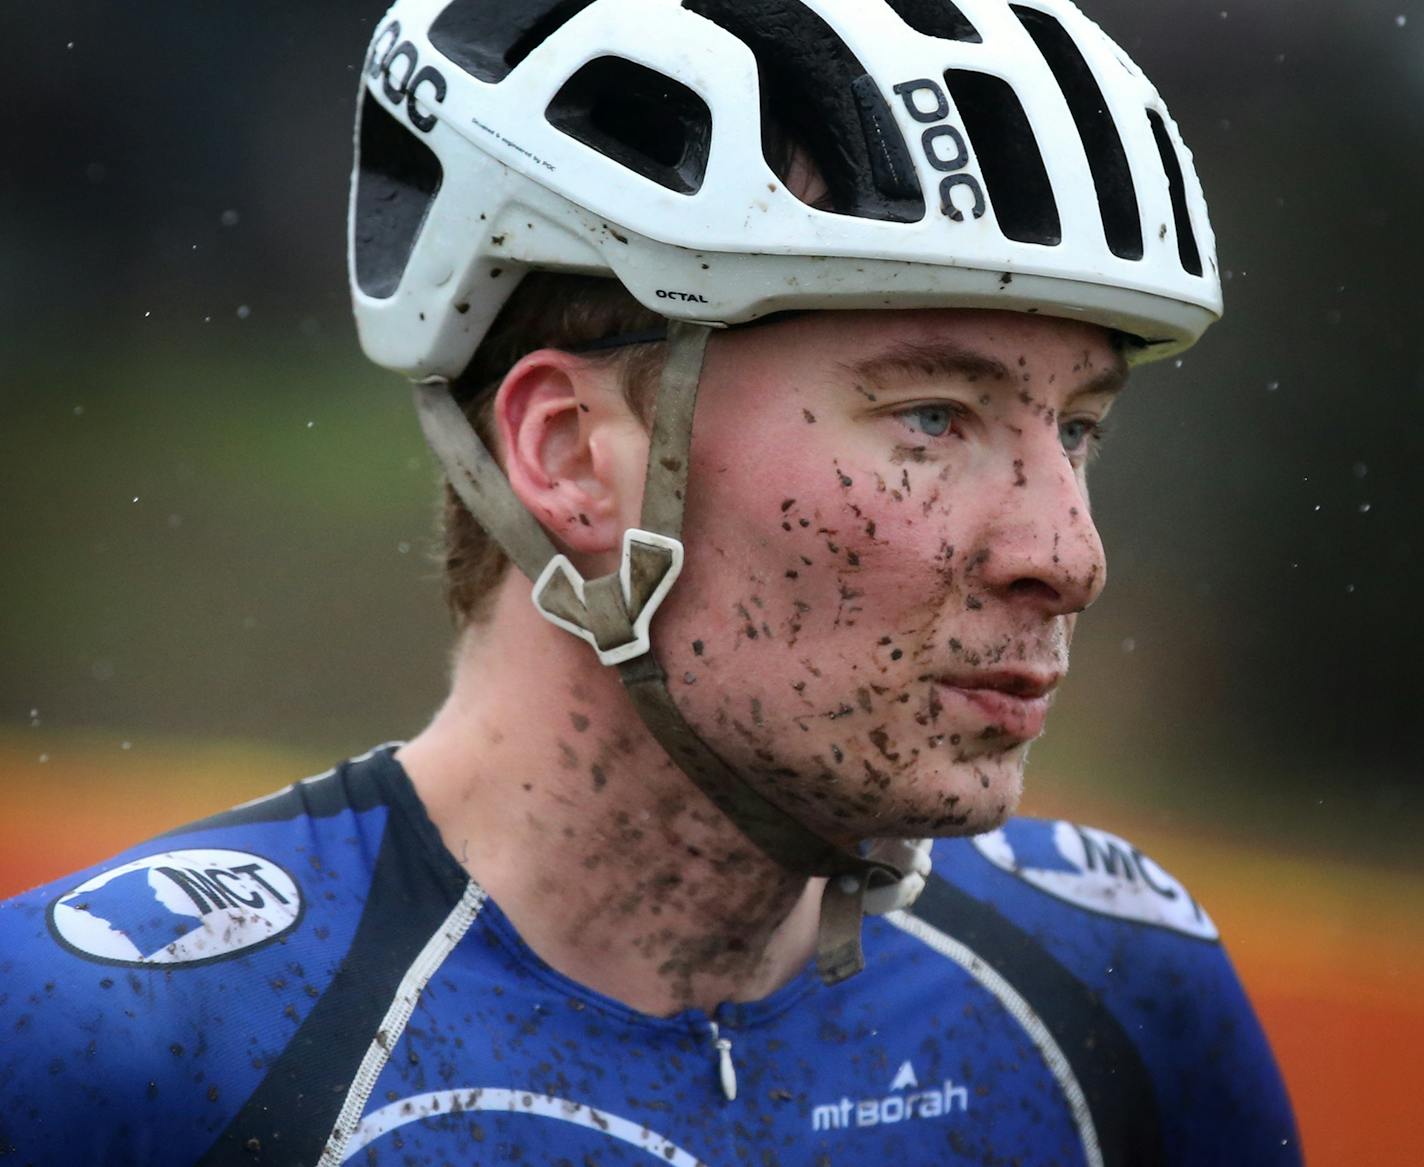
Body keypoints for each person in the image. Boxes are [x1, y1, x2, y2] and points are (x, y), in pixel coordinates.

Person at [0, 1, 1300, 1163]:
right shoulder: (118, 1049)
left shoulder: (1116, 999)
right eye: (932, 419)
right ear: (571, 455)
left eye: (1075, 429)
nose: (1067, 555)